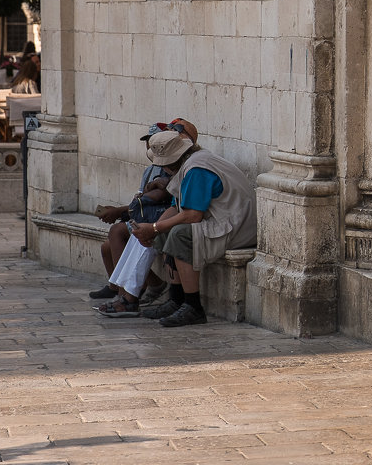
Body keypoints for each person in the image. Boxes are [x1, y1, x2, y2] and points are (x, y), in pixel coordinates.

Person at [132, 129, 257, 327]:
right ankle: (176, 300)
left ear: (171, 161)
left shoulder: (197, 169)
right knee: (167, 231)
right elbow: (176, 207)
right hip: (223, 221)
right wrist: (153, 230)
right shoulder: (190, 163)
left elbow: (192, 215)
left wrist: (154, 227)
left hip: (237, 227)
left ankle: (193, 307)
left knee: (181, 234)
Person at [89, 123, 173, 306]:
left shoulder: (170, 166)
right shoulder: (150, 169)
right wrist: (120, 211)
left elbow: (161, 196)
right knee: (107, 247)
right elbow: (142, 202)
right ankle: (138, 284)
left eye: (155, 142)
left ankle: (126, 294)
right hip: (148, 216)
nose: (149, 146)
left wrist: (120, 211)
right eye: (148, 142)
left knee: (118, 232)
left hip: (160, 219)